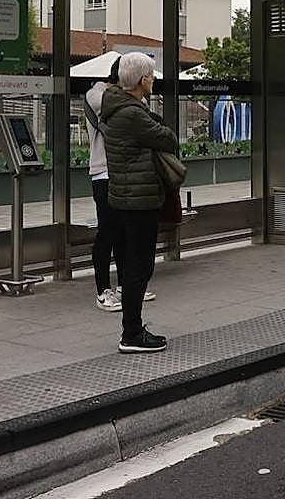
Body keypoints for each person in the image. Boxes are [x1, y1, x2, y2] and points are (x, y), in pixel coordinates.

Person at [101, 52, 178, 354]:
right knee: (139, 266)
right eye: (151, 75)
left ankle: (132, 329)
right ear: (141, 80)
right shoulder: (132, 114)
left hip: (127, 195)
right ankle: (131, 333)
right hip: (138, 198)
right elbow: (168, 138)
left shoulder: (120, 107)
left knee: (135, 263)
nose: (154, 79)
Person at [85, 57, 156, 312]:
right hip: (103, 171)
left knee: (126, 233)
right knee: (108, 232)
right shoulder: (96, 95)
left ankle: (127, 284)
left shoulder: (134, 101)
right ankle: (103, 289)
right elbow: (111, 107)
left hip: (124, 172)